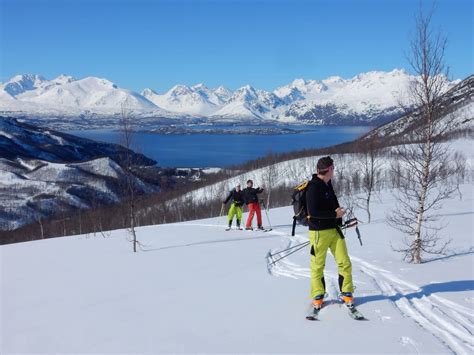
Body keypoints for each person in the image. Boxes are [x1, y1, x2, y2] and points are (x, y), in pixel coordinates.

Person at [306, 156, 354, 309]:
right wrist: (335, 215)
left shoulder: (328, 184)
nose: (334, 170)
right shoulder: (313, 187)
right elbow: (312, 212)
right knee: (317, 265)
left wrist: (339, 216)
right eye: (333, 168)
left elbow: (333, 205)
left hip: (334, 230)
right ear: (329, 170)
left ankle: (347, 293)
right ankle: (318, 295)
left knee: (344, 262)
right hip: (319, 233)